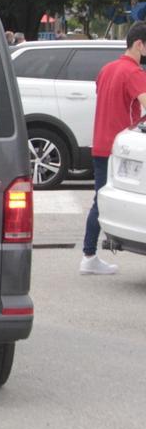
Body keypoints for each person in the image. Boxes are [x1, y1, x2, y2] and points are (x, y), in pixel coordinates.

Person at [80, 20, 146, 274]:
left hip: (100, 145)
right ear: (139, 44)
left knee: (100, 199)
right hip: (121, 149)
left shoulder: (106, 69)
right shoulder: (134, 73)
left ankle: (89, 254)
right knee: (110, 201)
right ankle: (89, 255)